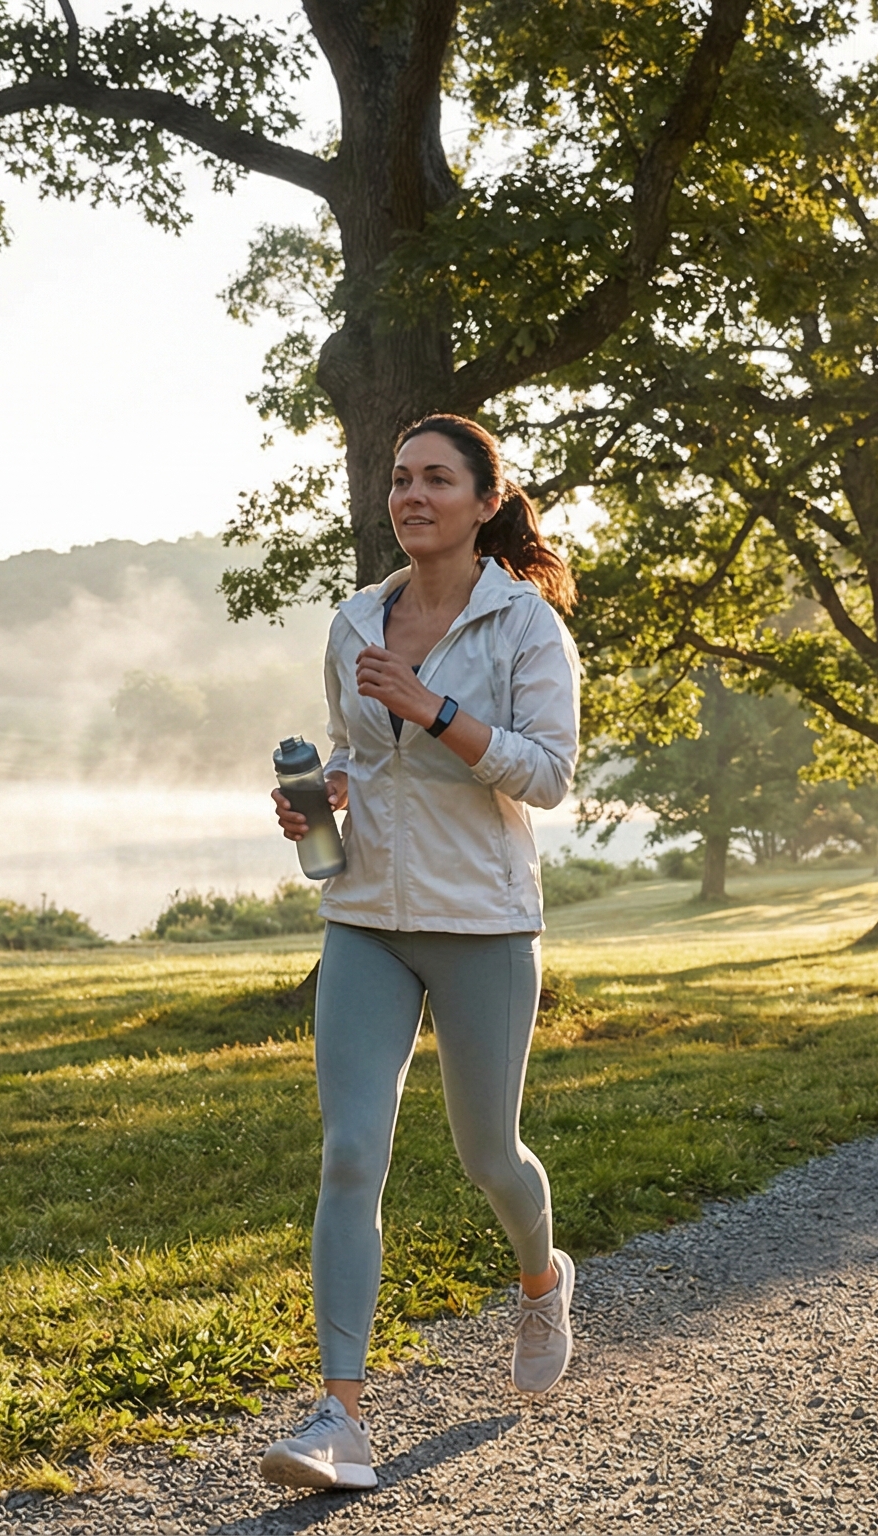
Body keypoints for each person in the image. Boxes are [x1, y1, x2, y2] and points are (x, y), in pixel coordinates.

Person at [258, 414, 584, 1492]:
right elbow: (355, 750)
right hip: (365, 915)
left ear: (485, 502)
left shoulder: (524, 624)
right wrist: (323, 794)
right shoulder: (356, 618)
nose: (412, 495)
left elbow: (547, 775)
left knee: (491, 1156)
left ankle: (540, 1281)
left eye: (437, 479)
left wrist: (434, 709)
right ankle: (339, 1419)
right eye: (400, 478)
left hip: (482, 921)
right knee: (351, 1152)